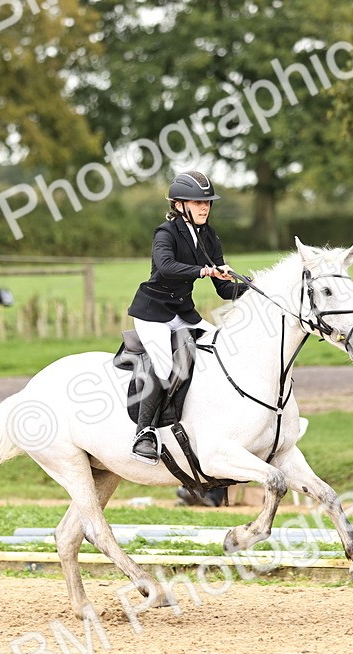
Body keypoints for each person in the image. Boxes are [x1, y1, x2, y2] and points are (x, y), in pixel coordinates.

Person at [126, 170, 248, 463]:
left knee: (220, 347)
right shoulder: (165, 233)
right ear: (179, 205)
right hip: (153, 314)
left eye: (207, 202)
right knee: (164, 363)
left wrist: (256, 290)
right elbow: (166, 267)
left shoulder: (209, 235)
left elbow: (223, 289)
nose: (204, 207)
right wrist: (203, 270)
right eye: (197, 202)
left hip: (183, 314)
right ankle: (144, 433)